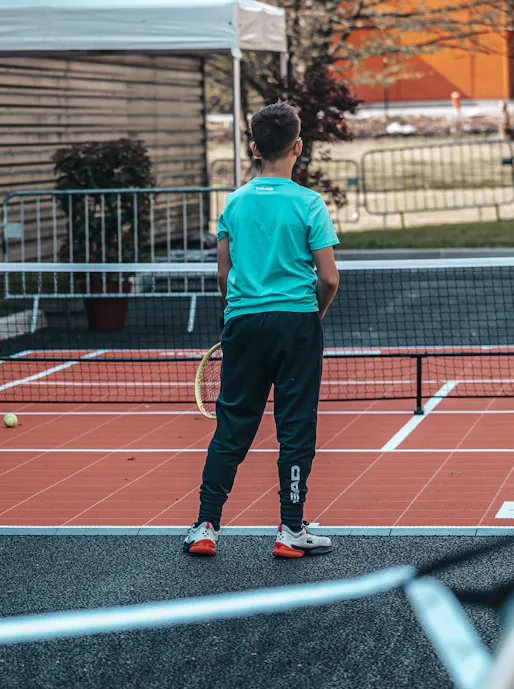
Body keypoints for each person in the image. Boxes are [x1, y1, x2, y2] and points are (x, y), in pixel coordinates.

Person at [184, 102, 340, 559]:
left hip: (244, 322)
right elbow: (329, 278)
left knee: (232, 427)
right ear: (298, 146)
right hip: (297, 323)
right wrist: (314, 314)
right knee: (296, 427)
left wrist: (237, 313)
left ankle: (206, 526)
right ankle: (290, 528)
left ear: (254, 148)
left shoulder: (234, 202)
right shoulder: (309, 203)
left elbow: (222, 274)